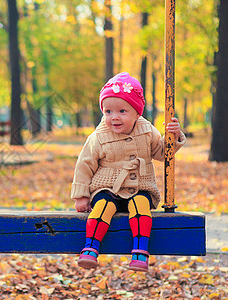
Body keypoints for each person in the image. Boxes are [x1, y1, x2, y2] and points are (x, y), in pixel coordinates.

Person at [71, 72, 186, 272]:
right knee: (103, 207)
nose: (114, 117)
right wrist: (81, 196)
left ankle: (140, 251)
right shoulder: (98, 136)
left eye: (122, 111)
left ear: (137, 113)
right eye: (108, 111)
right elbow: (84, 165)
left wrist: (173, 137)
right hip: (107, 187)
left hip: (139, 186)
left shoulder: (147, 130)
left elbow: (161, 153)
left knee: (141, 206)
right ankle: (90, 248)